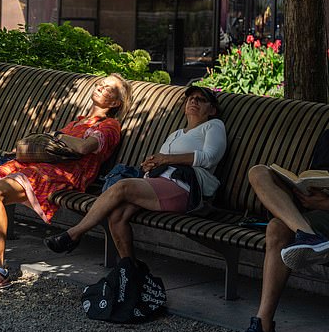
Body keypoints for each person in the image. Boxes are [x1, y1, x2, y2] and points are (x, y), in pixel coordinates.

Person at [0, 74, 133, 290]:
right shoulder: (79, 120)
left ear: (115, 103)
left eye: (108, 88)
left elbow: (83, 148)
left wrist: (56, 135)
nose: (100, 87)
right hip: (40, 167)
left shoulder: (110, 126)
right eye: (100, 83)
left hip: (60, 175)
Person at [231, 72, 329, 332]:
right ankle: (308, 235)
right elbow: (315, 176)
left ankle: (263, 327)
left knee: (277, 229)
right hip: (314, 213)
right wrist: (300, 189)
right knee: (258, 172)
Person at [44, 86, 227, 262]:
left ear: (211, 110)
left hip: (184, 188)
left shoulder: (213, 126)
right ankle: (129, 268)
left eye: (201, 100)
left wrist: (167, 159)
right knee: (117, 215)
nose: (194, 101)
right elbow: (163, 160)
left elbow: (209, 158)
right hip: (160, 183)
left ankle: (73, 234)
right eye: (191, 98)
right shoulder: (176, 134)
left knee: (123, 186)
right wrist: (151, 164)